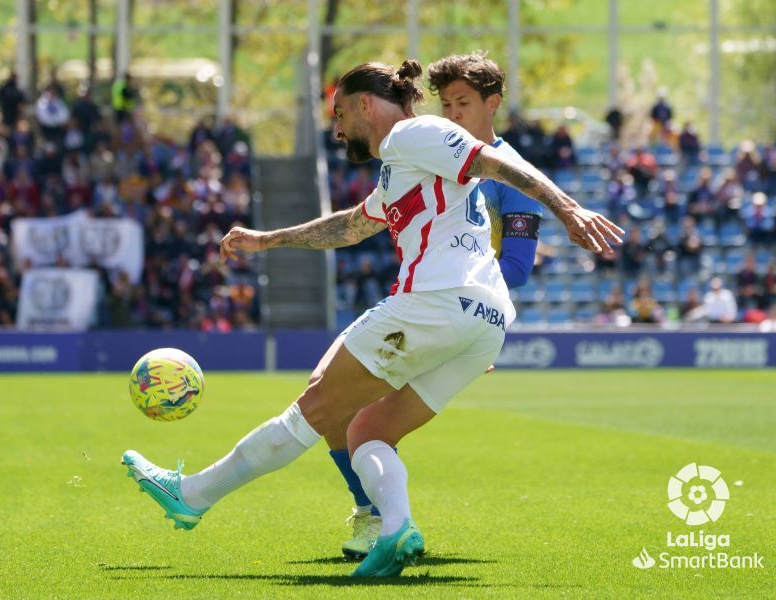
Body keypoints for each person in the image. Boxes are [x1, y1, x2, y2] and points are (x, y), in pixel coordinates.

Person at [120, 59, 623, 578]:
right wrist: (267, 240)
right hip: (485, 324)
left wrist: (569, 209)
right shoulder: (403, 164)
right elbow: (352, 226)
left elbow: (496, 164)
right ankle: (394, 528)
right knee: (365, 430)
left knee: (314, 406)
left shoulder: (413, 133)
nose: (336, 129)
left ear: (365, 104)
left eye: (339, 114)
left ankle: (192, 495)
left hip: (435, 301)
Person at [329, 51, 547, 560]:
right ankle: (377, 516)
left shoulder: (514, 177)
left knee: (345, 406)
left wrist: (474, 313)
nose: (453, 115)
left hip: (463, 312)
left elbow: (516, 265)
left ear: (492, 105)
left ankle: (378, 519)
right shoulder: (431, 146)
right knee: (345, 407)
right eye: (446, 103)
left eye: (464, 103)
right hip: (423, 301)